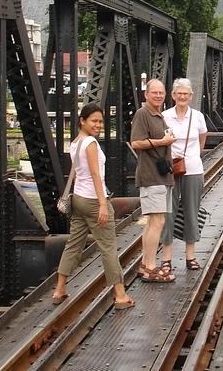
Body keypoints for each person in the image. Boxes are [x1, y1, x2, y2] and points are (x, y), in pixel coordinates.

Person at [52, 103, 136, 309]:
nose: (98, 125)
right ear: (82, 121)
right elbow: (95, 174)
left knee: (73, 244)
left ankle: (59, 289)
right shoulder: (90, 143)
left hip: (78, 200)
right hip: (92, 200)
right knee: (108, 247)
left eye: (101, 121)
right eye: (94, 121)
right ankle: (120, 294)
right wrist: (102, 204)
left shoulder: (76, 142)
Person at [130, 79, 178, 283]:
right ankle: (149, 266)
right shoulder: (143, 114)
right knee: (157, 221)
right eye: (154, 93)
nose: (158, 96)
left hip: (162, 176)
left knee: (154, 222)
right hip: (151, 176)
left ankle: (146, 264)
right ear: (146, 95)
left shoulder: (159, 115)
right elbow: (136, 142)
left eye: (161, 93)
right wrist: (163, 142)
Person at [161, 78, 208, 272]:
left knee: (191, 211)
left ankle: (190, 256)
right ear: (173, 95)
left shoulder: (197, 117)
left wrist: (193, 155)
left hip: (193, 169)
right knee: (167, 213)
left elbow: (202, 138)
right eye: (178, 93)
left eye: (185, 94)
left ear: (191, 96)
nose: (182, 96)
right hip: (170, 169)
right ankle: (166, 259)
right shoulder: (164, 116)